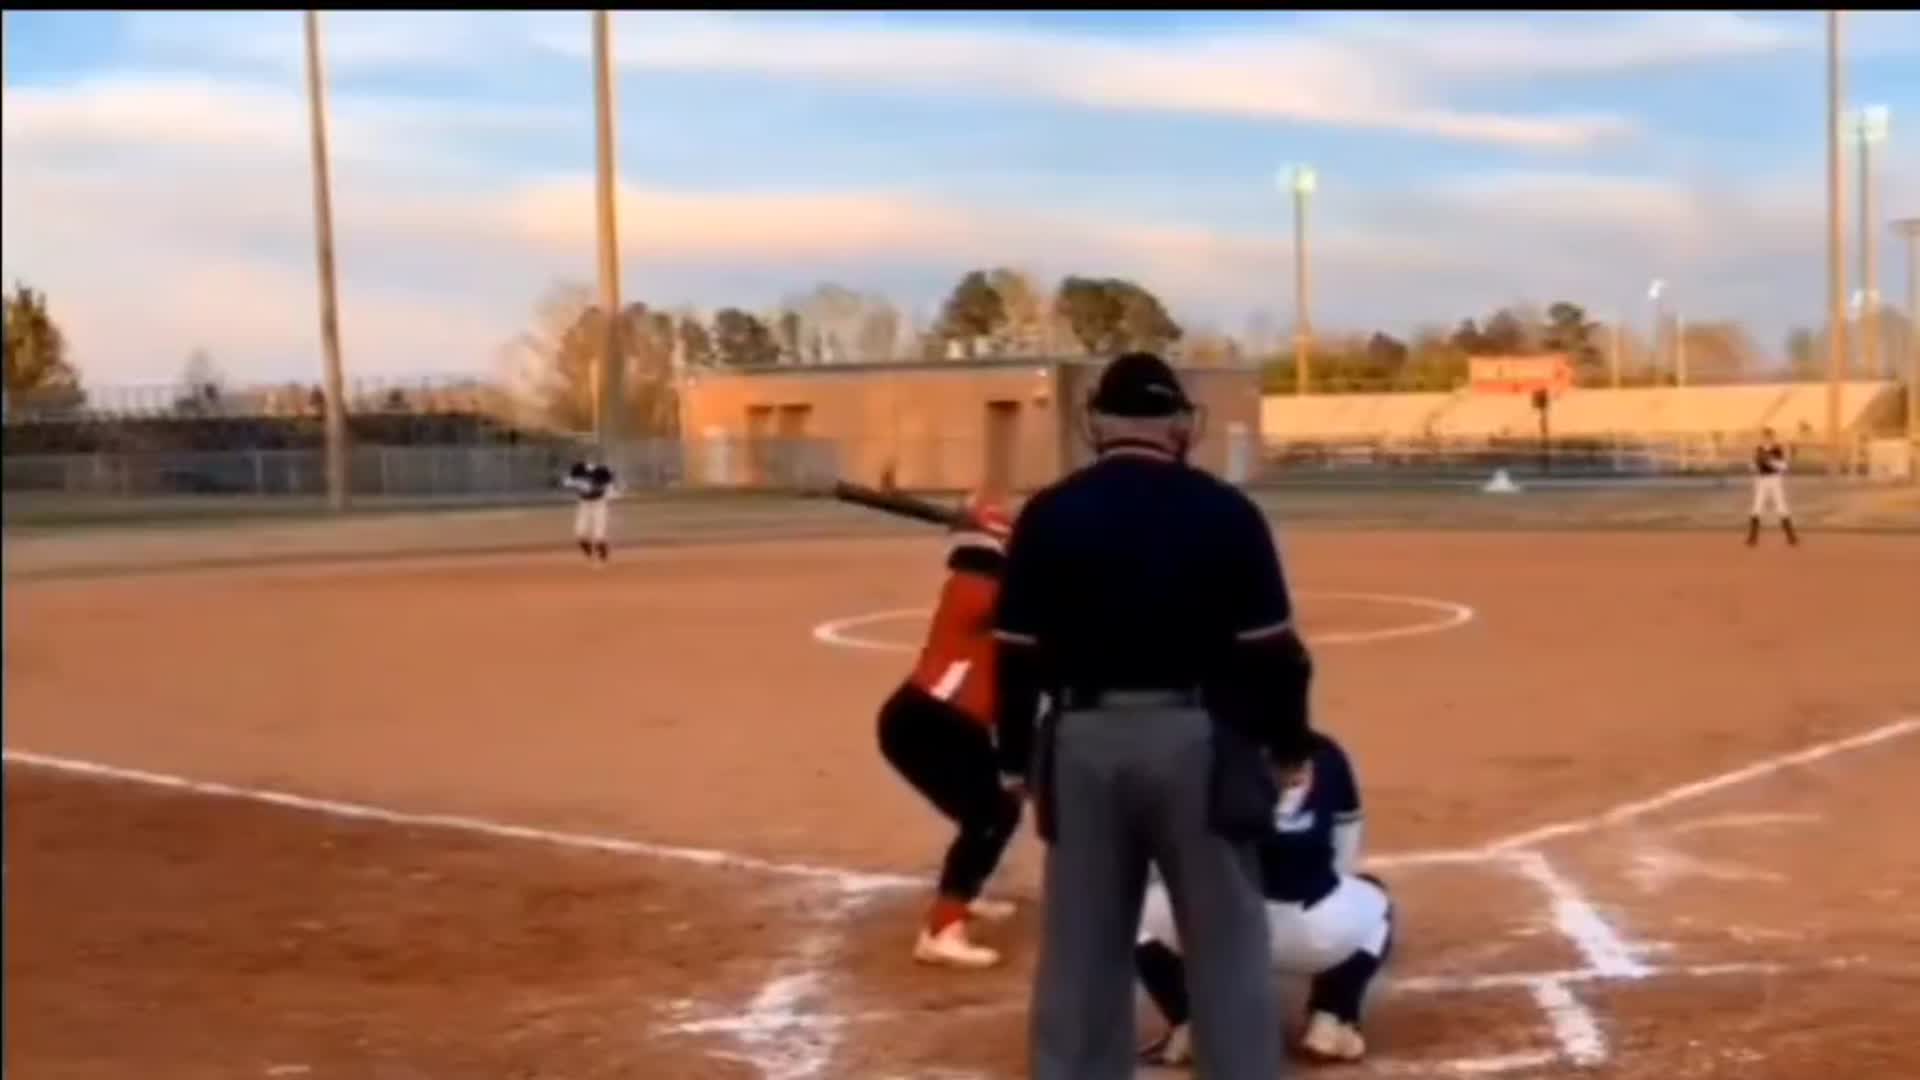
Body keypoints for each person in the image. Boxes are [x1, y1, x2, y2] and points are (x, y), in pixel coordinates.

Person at [993, 352, 1314, 1080]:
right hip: (1199, 741)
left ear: (1096, 423)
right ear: (1179, 425)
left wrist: (1014, 760)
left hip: (1081, 740)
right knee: (1227, 943)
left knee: (1081, 947)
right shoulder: (1225, 510)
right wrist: (1286, 746)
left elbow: (1014, 656)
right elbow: (1276, 654)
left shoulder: (1050, 512)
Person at [1136, 729, 1396, 1067]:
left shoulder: (1196, 754)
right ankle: (1333, 1017)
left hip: (1217, 928)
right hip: (1314, 932)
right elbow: (1345, 840)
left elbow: (1158, 856)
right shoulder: (1325, 752)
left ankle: (1192, 1024)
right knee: (1378, 903)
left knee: (1128, 908)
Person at [876, 495, 1024, 969]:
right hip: (928, 722)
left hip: (954, 722)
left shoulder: (990, 578)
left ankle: (965, 891)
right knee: (989, 813)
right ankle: (942, 931)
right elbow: (1033, 600)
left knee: (998, 810)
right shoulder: (977, 588)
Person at [1747, 428, 1798, 547]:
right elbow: (1753, 466)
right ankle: (1752, 538)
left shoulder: (1777, 449)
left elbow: (1783, 467)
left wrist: (1770, 461)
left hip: (1775, 480)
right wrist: (1756, 464)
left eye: (1769, 436)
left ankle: (1791, 537)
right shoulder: (1759, 449)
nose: (1767, 439)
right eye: (1765, 436)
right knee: (1757, 506)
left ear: (1772, 437)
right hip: (1762, 480)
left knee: (1781, 506)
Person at [564, 458, 617, 564]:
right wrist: (578, 483)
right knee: (579, 533)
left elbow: (610, 486)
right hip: (584, 504)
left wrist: (604, 490)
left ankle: (603, 556)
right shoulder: (579, 468)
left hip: (599, 504)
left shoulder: (602, 470)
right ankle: (589, 552)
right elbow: (567, 481)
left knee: (599, 536)